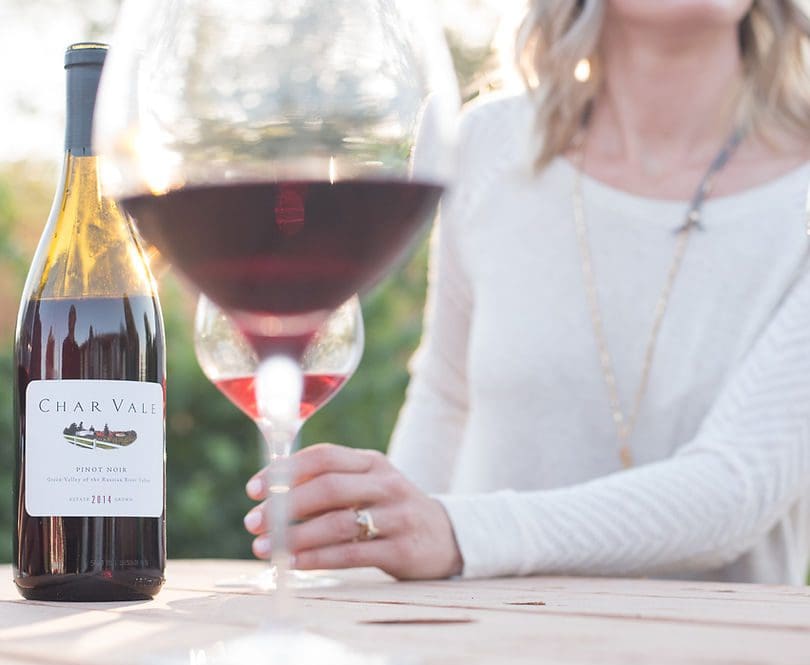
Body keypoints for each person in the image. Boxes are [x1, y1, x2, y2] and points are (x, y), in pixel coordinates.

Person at [243, 0, 810, 584]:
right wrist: (370, 576)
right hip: (481, 652)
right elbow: (446, 398)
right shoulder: (487, 145)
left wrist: (458, 532)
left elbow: (741, 485)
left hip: (716, 663)